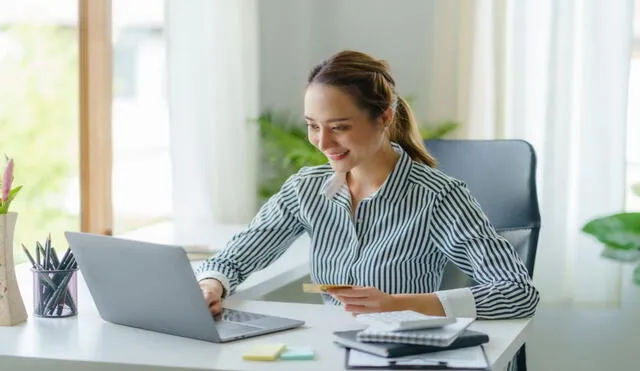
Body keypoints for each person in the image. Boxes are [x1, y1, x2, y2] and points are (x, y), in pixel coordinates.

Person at [196, 50, 540, 320]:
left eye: (340, 127)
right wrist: (211, 285)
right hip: (330, 353)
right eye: (313, 126)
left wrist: (400, 304)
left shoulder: (437, 197)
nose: (323, 142)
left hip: (404, 355)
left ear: (384, 117)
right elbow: (234, 259)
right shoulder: (305, 190)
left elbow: (516, 292)